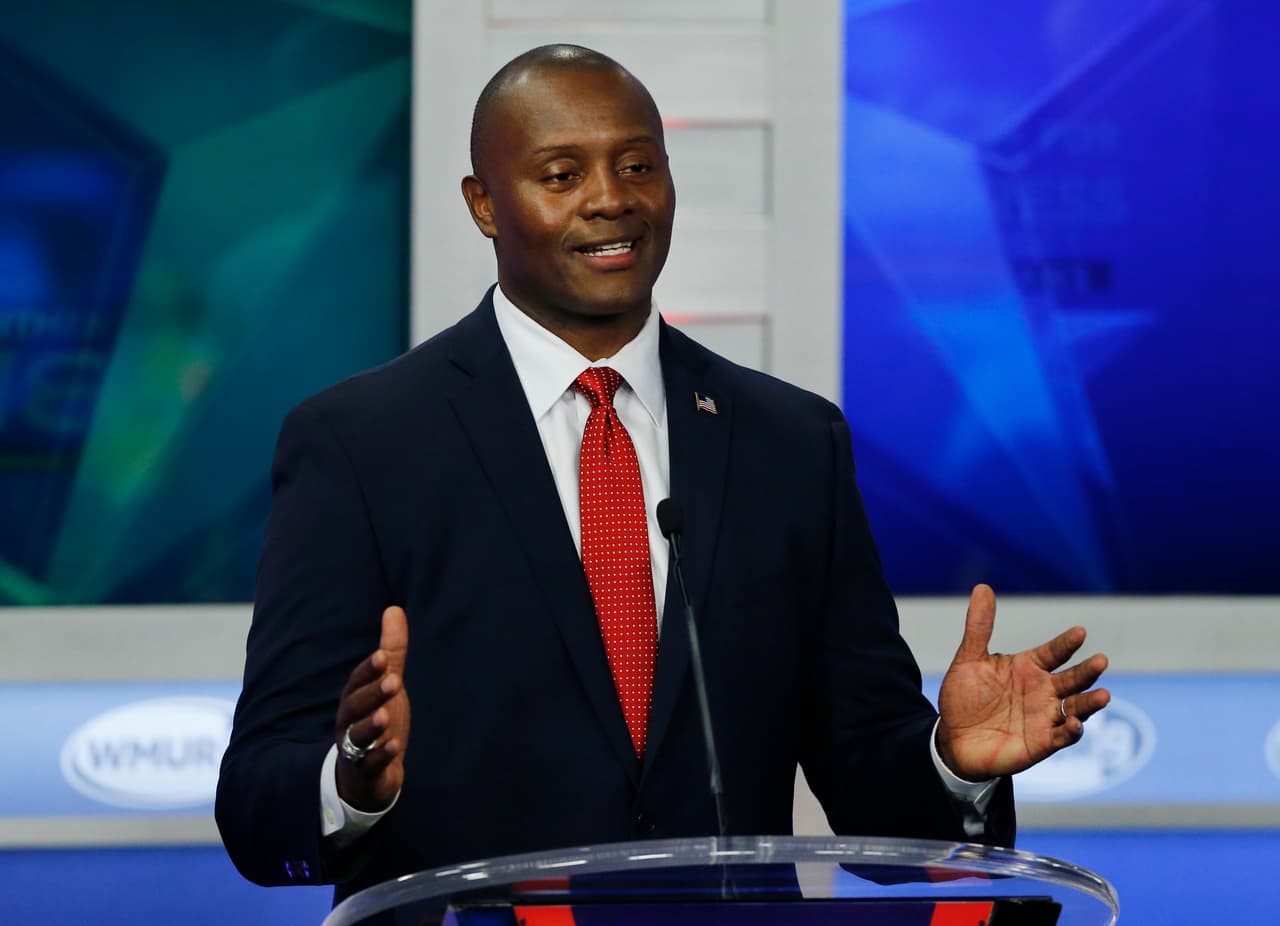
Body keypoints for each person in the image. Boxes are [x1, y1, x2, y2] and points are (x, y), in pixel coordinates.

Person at [215, 45, 1110, 905]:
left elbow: (871, 789)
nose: (611, 199)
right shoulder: (361, 444)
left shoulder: (791, 442)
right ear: (485, 204)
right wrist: (354, 779)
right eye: (562, 174)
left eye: (638, 166)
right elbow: (258, 803)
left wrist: (951, 762)